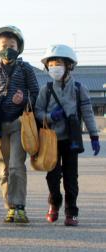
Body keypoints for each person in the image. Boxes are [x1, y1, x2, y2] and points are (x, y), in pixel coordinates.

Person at [0, 26, 39, 223]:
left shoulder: (26, 68)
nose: (8, 48)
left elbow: (36, 93)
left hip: (19, 122)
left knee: (16, 166)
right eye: (4, 45)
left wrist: (25, 99)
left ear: (19, 48)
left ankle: (19, 206)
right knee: (3, 168)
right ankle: (9, 207)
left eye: (12, 45)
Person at [35, 45, 100, 227]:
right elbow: (37, 112)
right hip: (50, 141)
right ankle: (54, 203)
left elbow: (87, 113)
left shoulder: (79, 89)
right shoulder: (45, 90)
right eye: (52, 64)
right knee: (52, 177)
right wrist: (49, 117)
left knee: (71, 178)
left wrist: (94, 136)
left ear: (69, 66)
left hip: (71, 140)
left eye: (60, 63)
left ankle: (71, 211)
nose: (55, 67)